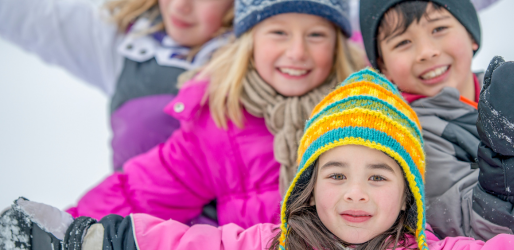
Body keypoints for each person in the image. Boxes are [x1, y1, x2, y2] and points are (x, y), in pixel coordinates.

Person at [1, 68, 514, 250]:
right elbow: (173, 243)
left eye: (378, 174)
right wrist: (77, 236)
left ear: (410, 190)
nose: (355, 193)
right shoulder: (268, 244)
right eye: (336, 174)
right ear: (310, 184)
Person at [64, 0, 365, 228]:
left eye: (315, 35)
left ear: (338, 45)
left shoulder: (365, 112)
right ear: (250, 42)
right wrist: (67, 225)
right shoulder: (221, 123)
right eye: (279, 32)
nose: (297, 52)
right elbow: (141, 191)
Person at [359, 0, 514, 240]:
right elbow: (475, 227)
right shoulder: (413, 139)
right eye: (403, 42)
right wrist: (507, 158)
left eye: (438, 29)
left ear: (471, 36)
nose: (427, 51)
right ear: (382, 67)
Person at [0, 0, 234, 171]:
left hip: (216, 235)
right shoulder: (128, 42)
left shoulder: (260, 64)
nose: (181, 5)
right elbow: (34, 19)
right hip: (127, 232)